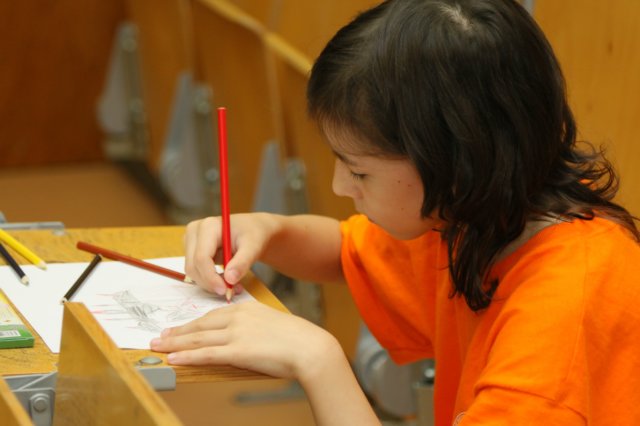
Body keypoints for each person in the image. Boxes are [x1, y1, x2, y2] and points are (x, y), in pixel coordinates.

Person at [150, 0, 640, 424]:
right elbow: (345, 252)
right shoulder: (475, 218)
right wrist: (267, 229)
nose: (340, 186)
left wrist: (318, 360)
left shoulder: (562, 317)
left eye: (359, 172)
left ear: (457, 164)